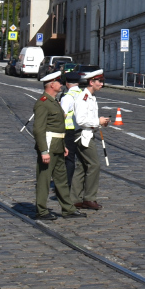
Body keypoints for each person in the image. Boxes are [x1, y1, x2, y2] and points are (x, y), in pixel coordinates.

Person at [33, 71, 82, 220]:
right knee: (44, 179)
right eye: (58, 82)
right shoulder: (43, 103)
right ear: (51, 85)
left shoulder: (54, 101)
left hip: (58, 145)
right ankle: (41, 210)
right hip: (48, 146)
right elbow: (38, 129)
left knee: (61, 179)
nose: (61, 84)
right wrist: (43, 151)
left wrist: (63, 145)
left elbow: (58, 127)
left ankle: (68, 209)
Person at [71, 69, 110, 210]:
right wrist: (98, 121)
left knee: (82, 166)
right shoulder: (84, 98)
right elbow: (81, 120)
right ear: (91, 82)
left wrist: (101, 122)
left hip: (87, 133)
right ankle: (89, 198)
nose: (102, 84)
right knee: (94, 165)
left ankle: (74, 198)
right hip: (83, 135)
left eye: (102, 81)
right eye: (99, 81)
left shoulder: (91, 97)